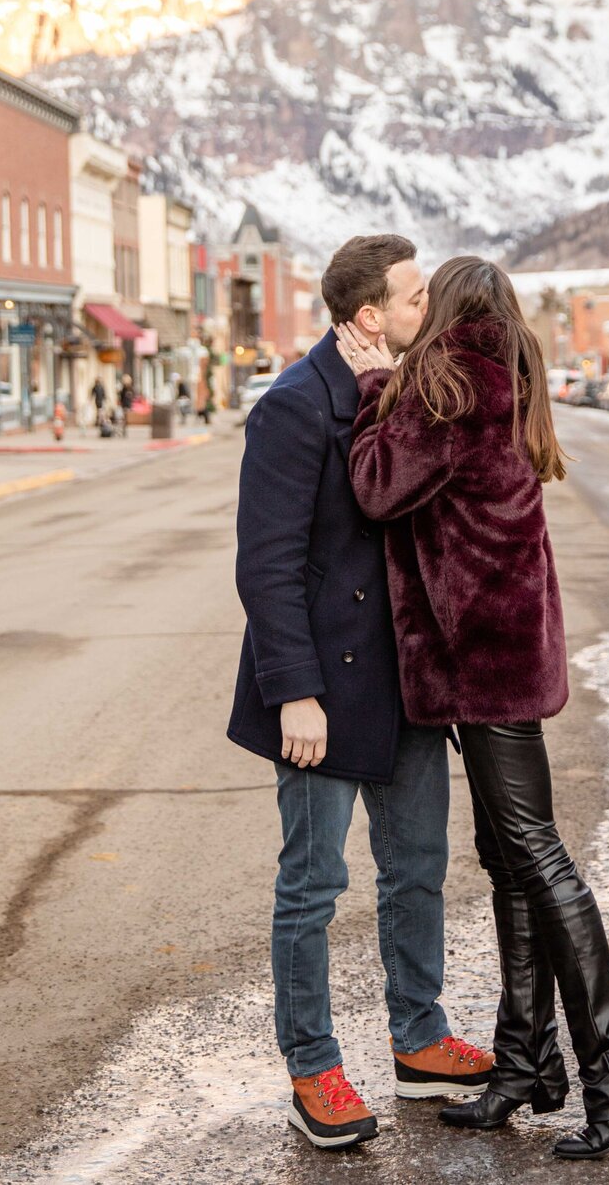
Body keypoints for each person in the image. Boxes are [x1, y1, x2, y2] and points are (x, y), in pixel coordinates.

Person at [337, 256, 609, 1163]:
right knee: (508, 855)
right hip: (503, 648)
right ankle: (525, 1063)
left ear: (444, 308)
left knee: (532, 849)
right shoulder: (506, 371)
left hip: (481, 655)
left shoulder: (443, 384)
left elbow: (374, 486)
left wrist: (370, 391)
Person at [228, 235, 493, 1152]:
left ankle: (419, 1040)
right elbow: (265, 567)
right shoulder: (295, 408)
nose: (433, 309)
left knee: (418, 869)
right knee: (312, 886)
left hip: (408, 684)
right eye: (417, 298)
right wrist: (293, 693)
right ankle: (314, 1068)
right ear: (370, 315)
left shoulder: (408, 395)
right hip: (323, 694)